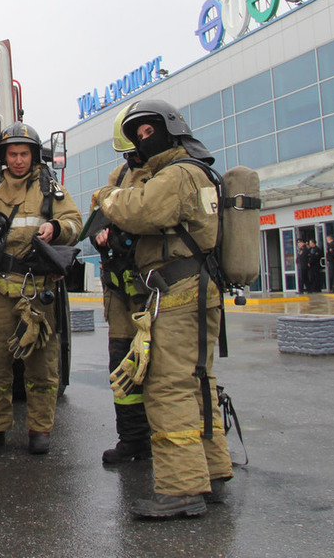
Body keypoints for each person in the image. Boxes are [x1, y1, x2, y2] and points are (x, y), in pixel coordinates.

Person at [94, 99, 232, 519]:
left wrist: (107, 197)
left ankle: (180, 488)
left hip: (179, 292)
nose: (142, 141)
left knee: (167, 386)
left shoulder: (177, 174)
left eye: (148, 132)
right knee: (197, 382)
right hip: (197, 289)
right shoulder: (197, 170)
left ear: (170, 129)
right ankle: (211, 469)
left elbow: (141, 211)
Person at [0, 123, 82, 456]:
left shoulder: (50, 190)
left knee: (42, 364)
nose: (18, 160)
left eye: (24, 153)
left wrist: (55, 227)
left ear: (33, 156)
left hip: (36, 290)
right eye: (12, 154)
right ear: (4, 156)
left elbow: (75, 223)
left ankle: (39, 430)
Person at [89, 108, 153, 464]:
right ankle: (132, 439)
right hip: (119, 290)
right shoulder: (121, 173)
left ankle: (167, 441)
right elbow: (102, 212)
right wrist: (103, 238)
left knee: (159, 367)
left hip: (153, 290)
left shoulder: (166, 173)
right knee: (121, 364)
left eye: (136, 151)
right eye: (127, 153)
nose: (132, 159)